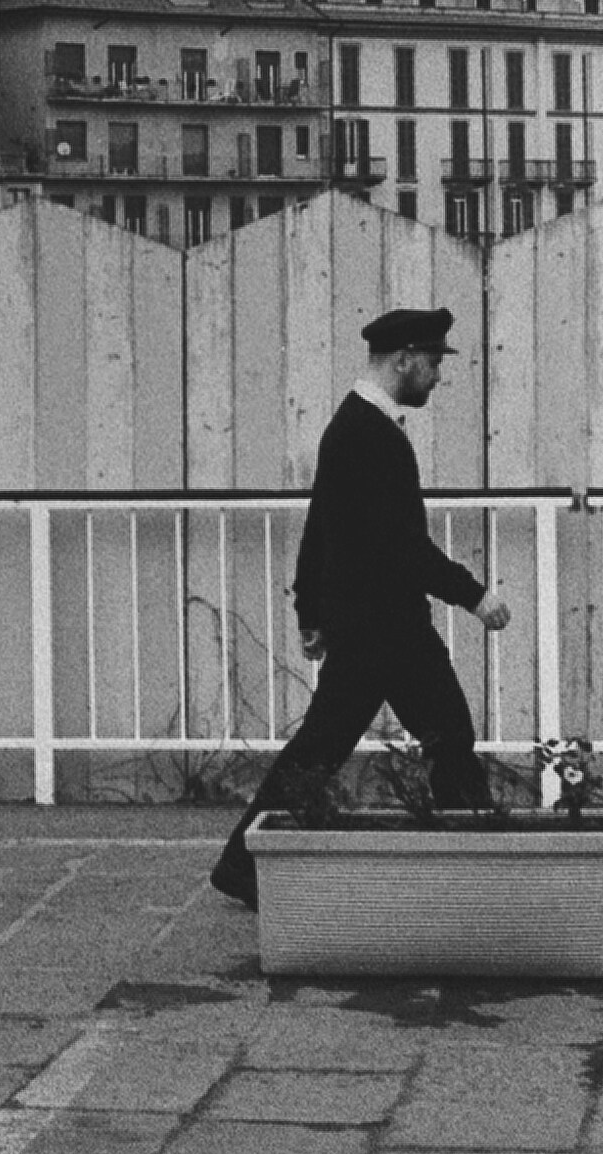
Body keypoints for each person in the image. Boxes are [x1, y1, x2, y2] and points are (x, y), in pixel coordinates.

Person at [211, 306, 513, 907]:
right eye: (431, 363)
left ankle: (244, 867)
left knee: (341, 745)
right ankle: (479, 862)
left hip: (371, 625)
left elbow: (320, 525)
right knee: (442, 734)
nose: (436, 376)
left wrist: (310, 610)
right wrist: (474, 595)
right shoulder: (371, 436)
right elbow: (401, 546)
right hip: (387, 629)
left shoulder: (352, 426)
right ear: (403, 359)